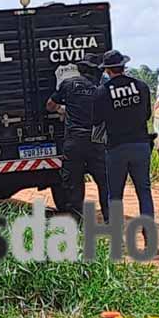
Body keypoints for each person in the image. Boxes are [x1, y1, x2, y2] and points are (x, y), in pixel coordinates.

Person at [46, 53, 110, 222]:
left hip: (74, 140)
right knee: (104, 181)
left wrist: (63, 109)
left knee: (73, 182)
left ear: (81, 69)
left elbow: (50, 105)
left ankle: (78, 220)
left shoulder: (68, 84)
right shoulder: (103, 88)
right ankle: (109, 218)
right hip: (96, 139)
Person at [100, 49, 155, 225]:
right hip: (141, 144)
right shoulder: (141, 87)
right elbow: (147, 114)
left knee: (115, 195)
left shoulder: (103, 91)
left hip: (116, 147)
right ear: (123, 66)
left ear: (107, 70)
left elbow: (96, 120)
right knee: (144, 192)